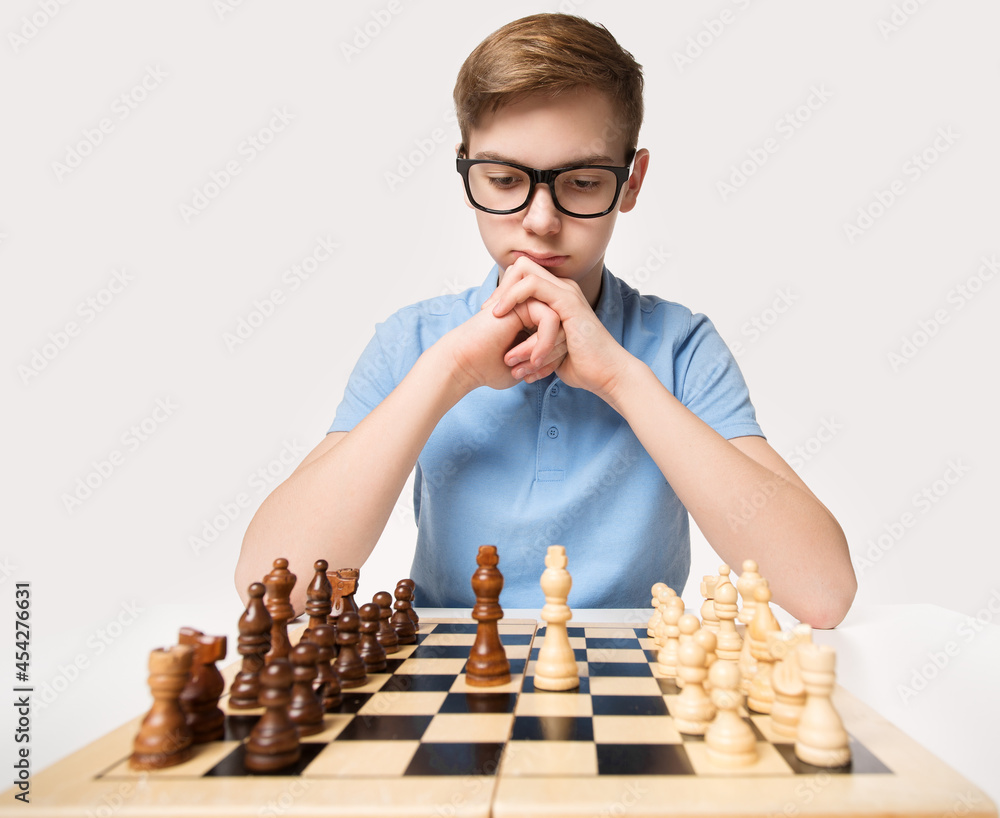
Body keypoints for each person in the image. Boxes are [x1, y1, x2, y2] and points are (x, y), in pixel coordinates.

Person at [235, 13, 856, 628]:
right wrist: (448, 370)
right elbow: (268, 590)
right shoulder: (416, 342)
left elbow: (822, 592)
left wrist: (619, 378)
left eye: (583, 182)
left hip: (632, 695)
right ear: (465, 171)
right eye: (504, 179)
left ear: (631, 182)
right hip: (455, 689)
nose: (539, 220)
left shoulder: (681, 348)